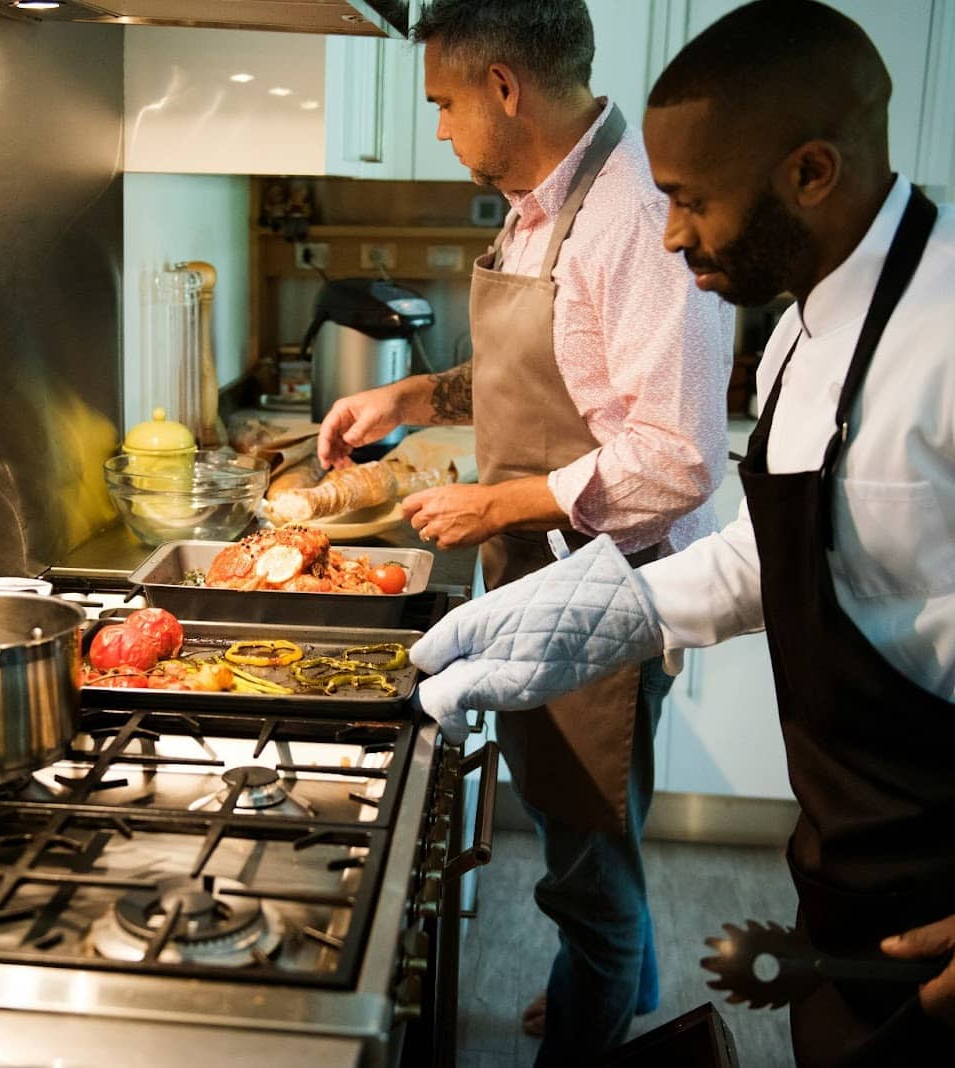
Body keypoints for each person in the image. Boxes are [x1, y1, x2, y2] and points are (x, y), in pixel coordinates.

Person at [409, 2, 955, 1064]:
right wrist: (593, 614)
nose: (668, 234)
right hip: (849, 851)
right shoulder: (796, 332)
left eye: (691, 201)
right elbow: (773, 557)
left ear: (811, 174)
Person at [315, 1, 733, 1058]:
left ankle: (598, 993)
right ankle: (614, 975)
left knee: (586, 860)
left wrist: (497, 504)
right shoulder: (539, 203)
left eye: (444, 104)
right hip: (538, 572)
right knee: (575, 832)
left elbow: (678, 457)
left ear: (503, 87)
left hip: (605, 588)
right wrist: (413, 397)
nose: (439, 128)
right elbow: (541, 365)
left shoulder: (632, 216)